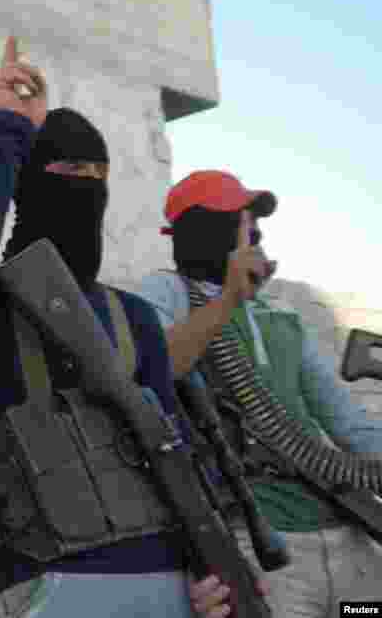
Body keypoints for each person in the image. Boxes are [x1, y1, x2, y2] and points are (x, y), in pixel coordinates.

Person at [0, 37, 236, 617]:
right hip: (47, 580)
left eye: (99, 171)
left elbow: (172, 456)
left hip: (167, 580)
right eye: (69, 169)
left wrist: (206, 574)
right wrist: (11, 132)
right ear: (29, 180)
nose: (86, 182)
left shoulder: (133, 316)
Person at [138, 169, 382, 618]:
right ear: (209, 229)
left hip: (346, 530)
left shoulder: (280, 313)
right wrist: (228, 297)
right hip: (266, 546)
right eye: (243, 222)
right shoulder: (165, 292)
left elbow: (346, 420)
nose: (255, 235)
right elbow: (155, 368)